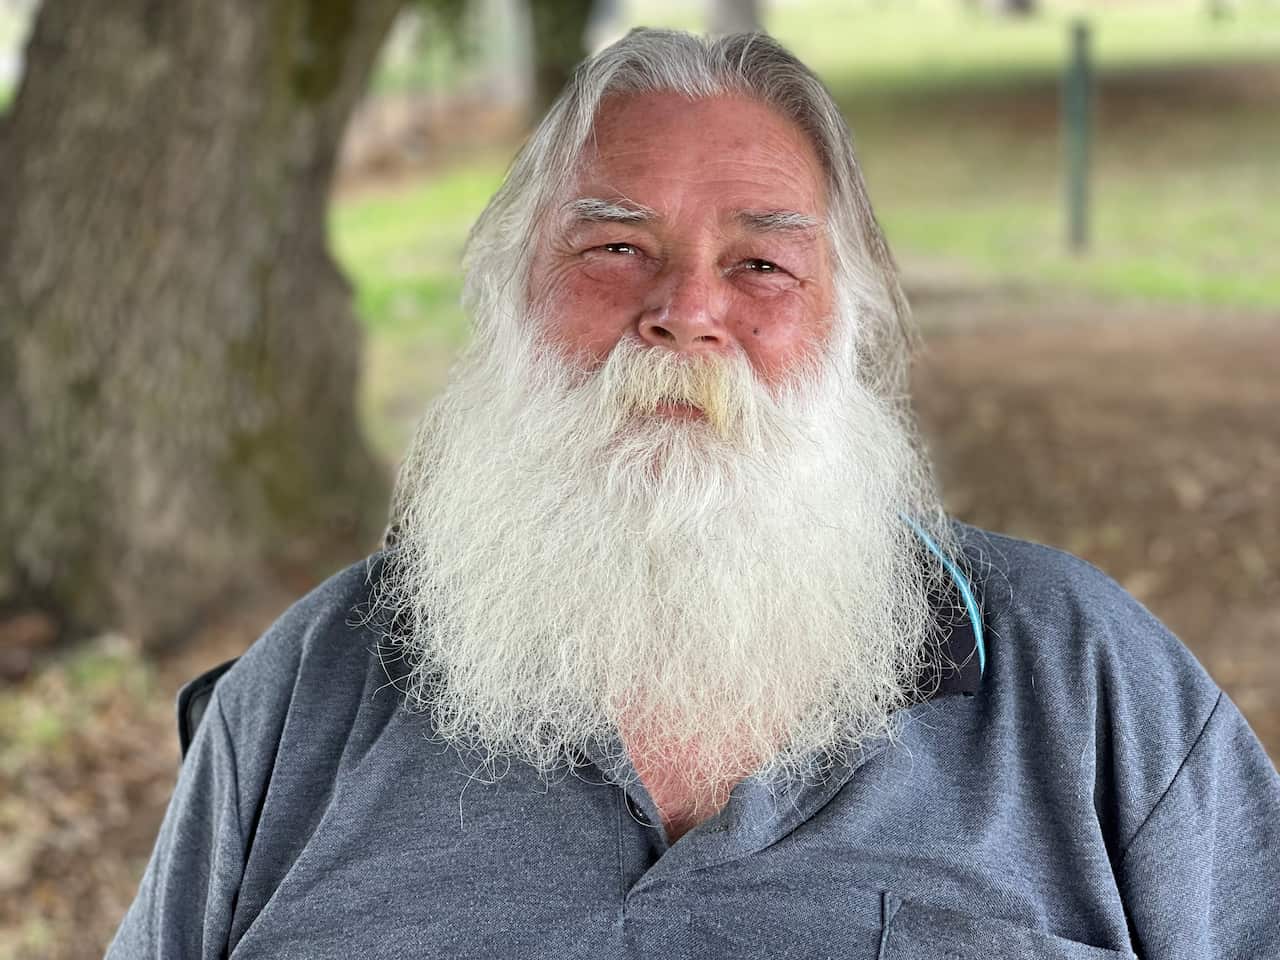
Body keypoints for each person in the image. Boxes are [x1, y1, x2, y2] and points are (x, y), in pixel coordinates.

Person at [107, 28, 1278, 960]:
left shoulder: (1080, 681)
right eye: (612, 249)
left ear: (847, 327)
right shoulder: (303, 697)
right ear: (508, 294)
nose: (685, 311)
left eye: (761, 263)